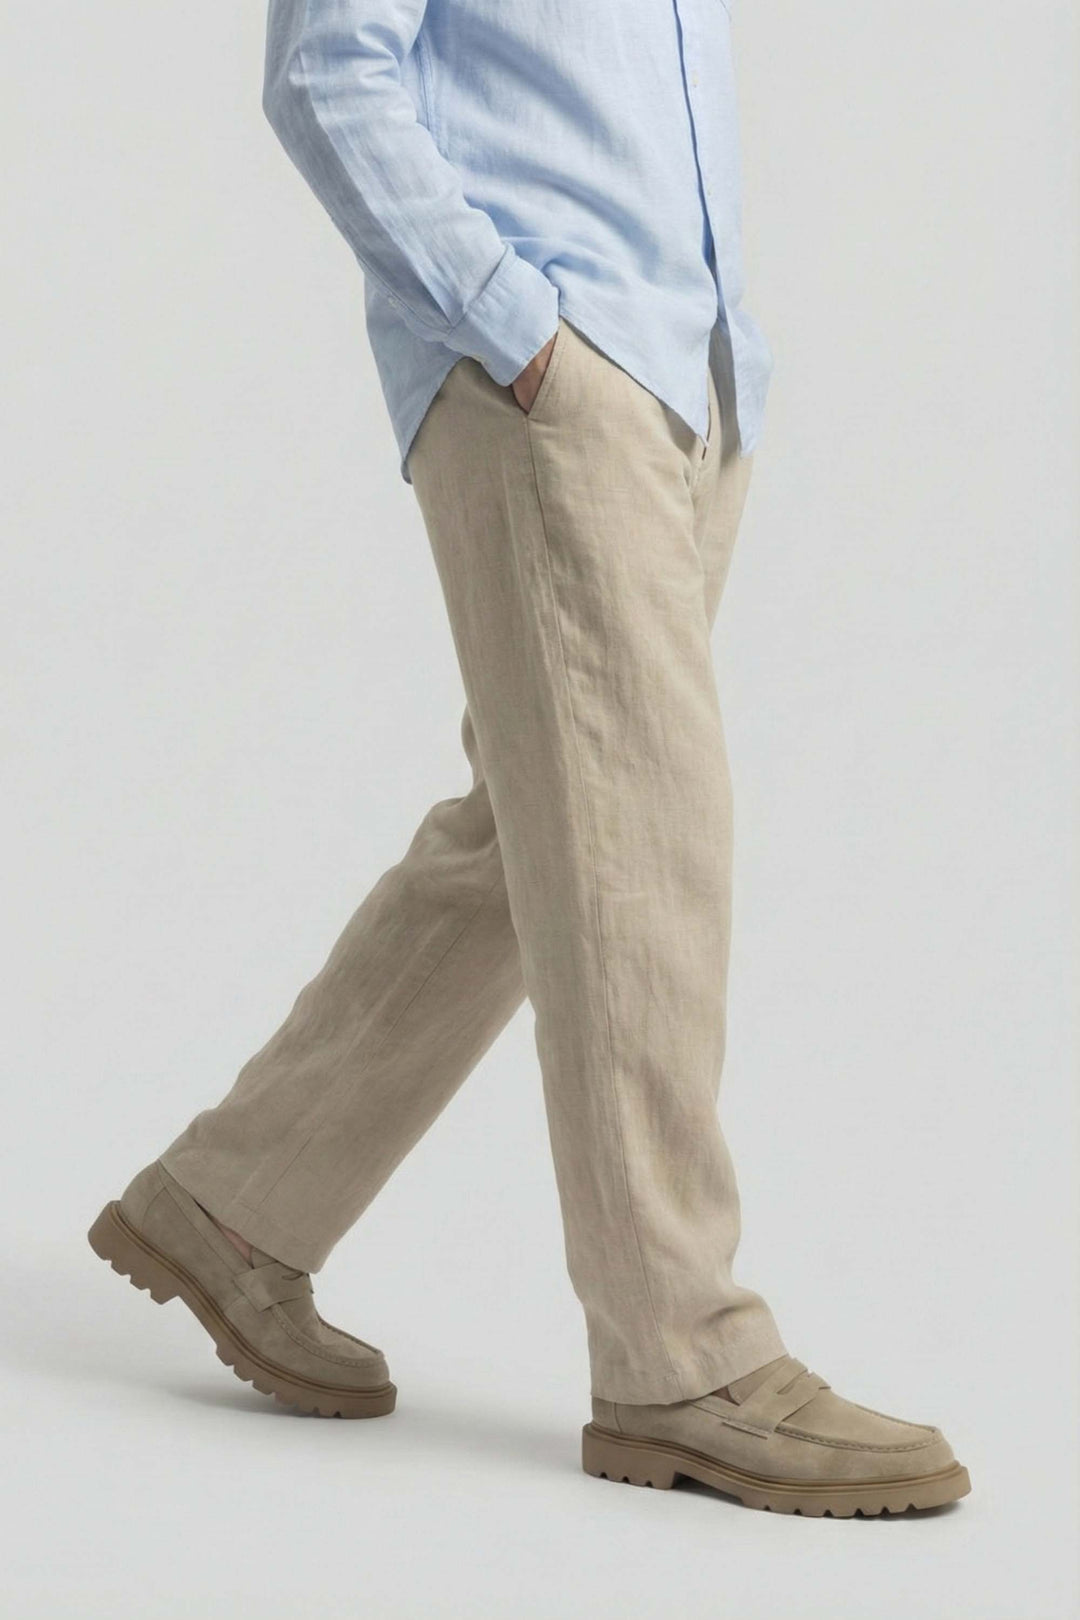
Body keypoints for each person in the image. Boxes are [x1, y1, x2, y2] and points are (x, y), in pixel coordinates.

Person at [88, 0, 969, 1516]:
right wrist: (513, 328)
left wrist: (709, 360)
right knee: (641, 856)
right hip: (552, 375)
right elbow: (322, 71)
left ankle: (232, 1209)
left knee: (540, 839)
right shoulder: (529, 349)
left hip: (685, 374)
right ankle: (679, 1356)